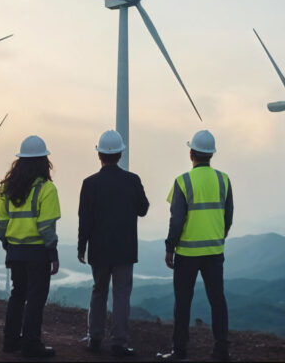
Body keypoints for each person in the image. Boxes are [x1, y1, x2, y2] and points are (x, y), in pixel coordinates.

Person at [157, 130, 233, 362]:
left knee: (183, 303)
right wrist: (219, 236)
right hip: (214, 251)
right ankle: (221, 350)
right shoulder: (224, 180)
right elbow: (228, 216)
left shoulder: (183, 181)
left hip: (187, 254)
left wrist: (170, 247)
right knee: (217, 301)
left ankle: (179, 351)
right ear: (211, 154)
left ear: (191, 153)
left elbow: (177, 219)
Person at [78, 130, 150, 357]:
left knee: (98, 292)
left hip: (99, 250)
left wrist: (82, 247)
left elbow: (85, 219)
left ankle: (95, 338)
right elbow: (143, 209)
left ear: (99, 154)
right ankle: (119, 342)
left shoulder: (89, 184)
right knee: (121, 295)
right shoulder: (132, 180)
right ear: (120, 154)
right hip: (125, 250)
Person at [0, 135, 60, 358]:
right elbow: (46, 227)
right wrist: (53, 253)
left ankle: (10, 341)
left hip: (15, 251)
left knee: (18, 294)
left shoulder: (7, 190)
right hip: (38, 252)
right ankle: (31, 344)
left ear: (20, 161)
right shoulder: (46, 189)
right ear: (44, 161)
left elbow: (2, 224)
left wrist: (8, 244)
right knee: (35, 297)